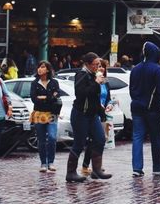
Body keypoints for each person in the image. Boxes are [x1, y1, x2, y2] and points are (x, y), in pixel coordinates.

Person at [65, 52, 111, 182]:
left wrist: (101, 113)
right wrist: (96, 82)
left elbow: (95, 98)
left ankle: (97, 170)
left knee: (100, 139)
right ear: (88, 64)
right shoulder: (81, 75)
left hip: (92, 115)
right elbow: (81, 94)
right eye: (96, 64)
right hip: (80, 114)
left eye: (99, 64)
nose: (98, 67)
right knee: (79, 143)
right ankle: (71, 172)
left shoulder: (93, 75)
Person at [129, 41, 160, 177]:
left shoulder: (135, 69)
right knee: (155, 138)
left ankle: (137, 168)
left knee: (137, 137)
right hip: (152, 108)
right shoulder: (157, 69)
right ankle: (157, 166)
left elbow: (131, 90)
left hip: (136, 107)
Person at [81, 59, 114, 176]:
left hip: (103, 114)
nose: (101, 68)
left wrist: (110, 104)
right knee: (93, 140)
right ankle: (86, 166)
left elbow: (108, 97)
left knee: (101, 140)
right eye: (98, 66)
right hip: (93, 113)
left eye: (102, 66)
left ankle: (97, 166)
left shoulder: (105, 82)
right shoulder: (91, 80)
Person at [31, 60, 62, 173]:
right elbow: (34, 98)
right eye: (39, 67)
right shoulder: (35, 83)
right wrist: (49, 97)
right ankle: (43, 163)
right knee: (41, 139)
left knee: (53, 137)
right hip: (39, 114)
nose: (40, 69)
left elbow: (56, 95)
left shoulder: (54, 82)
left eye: (43, 67)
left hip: (52, 113)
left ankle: (51, 162)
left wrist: (44, 98)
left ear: (48, 69)